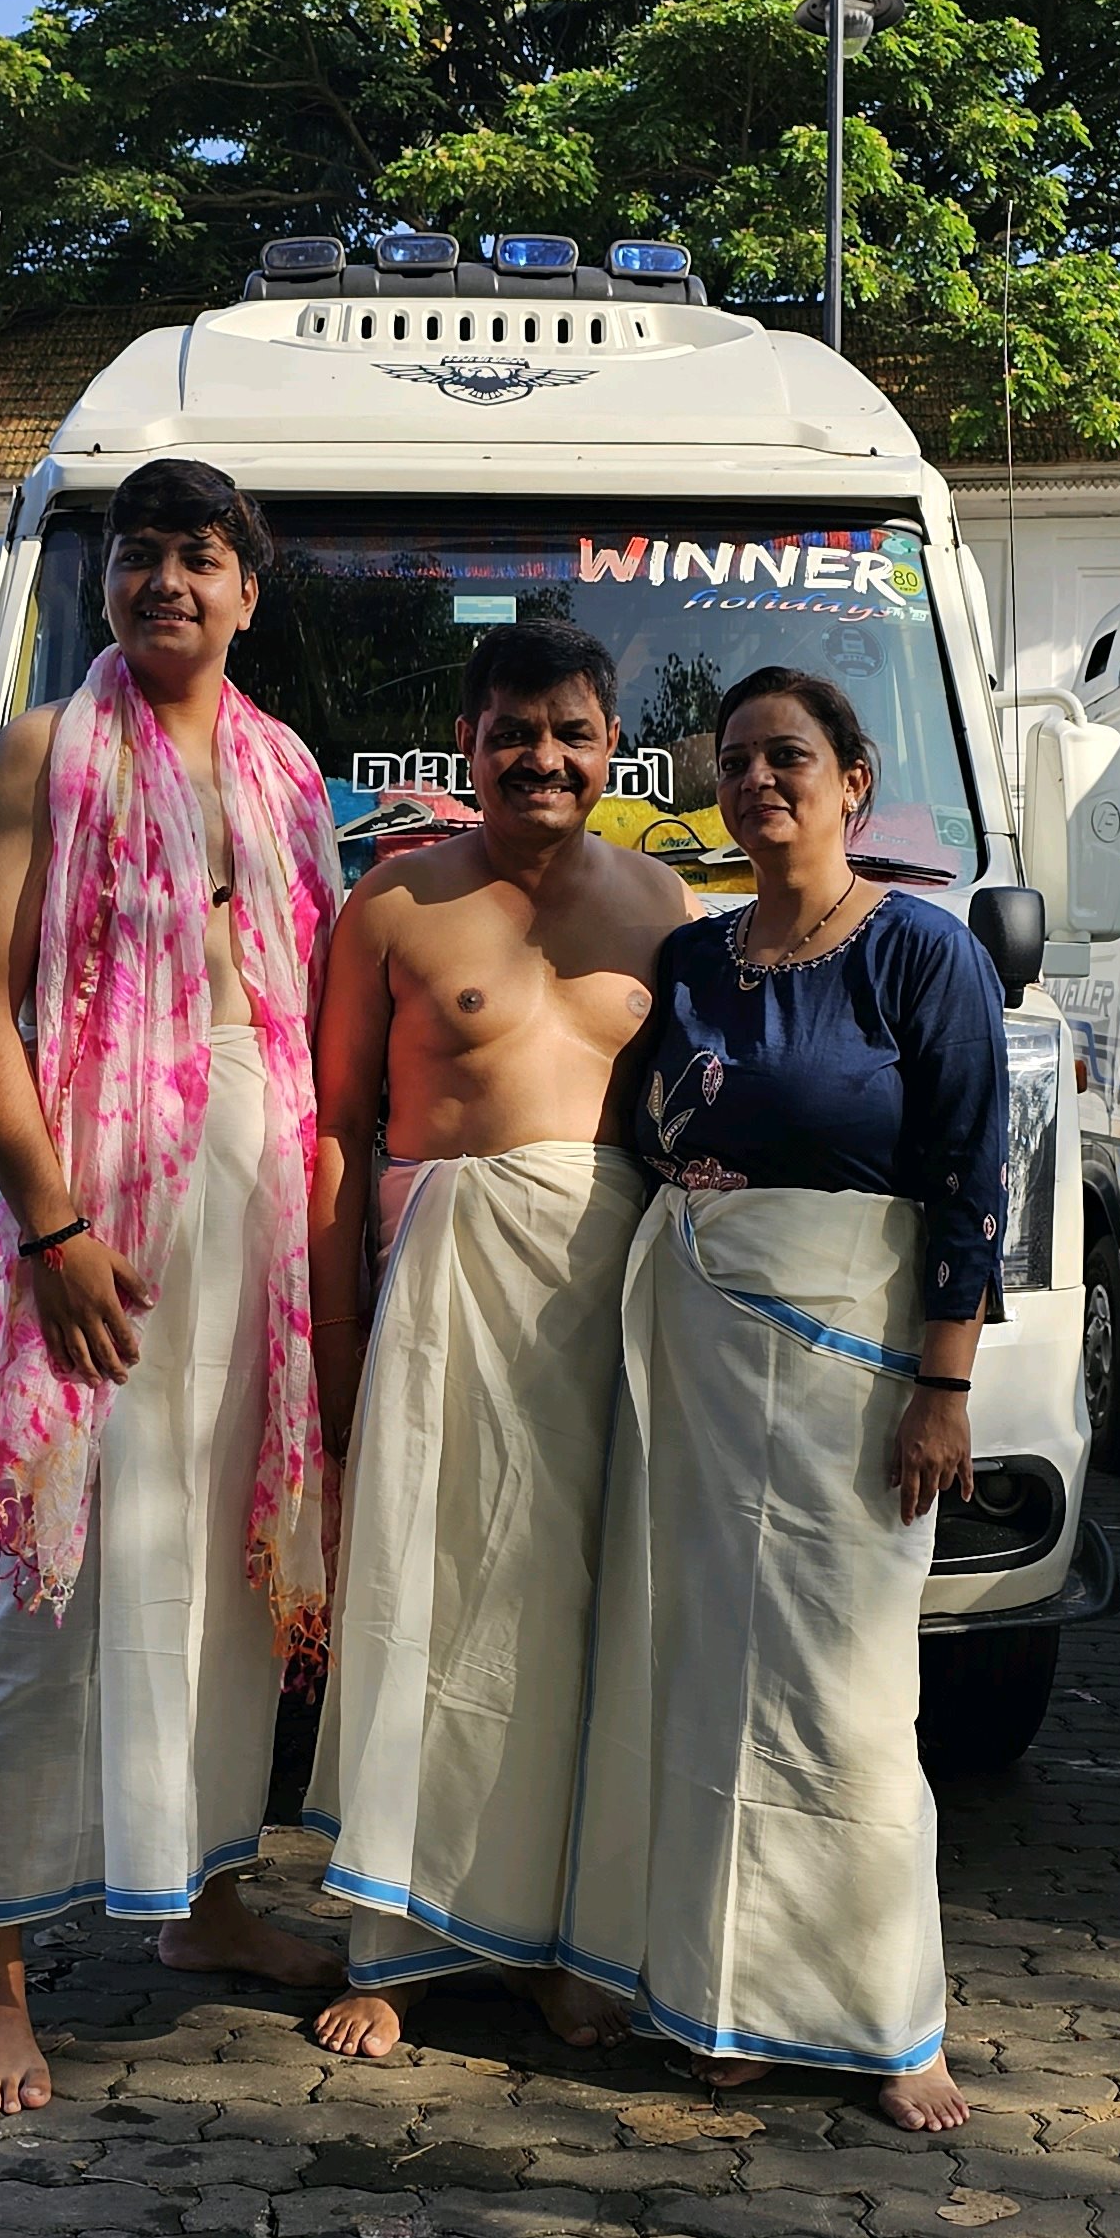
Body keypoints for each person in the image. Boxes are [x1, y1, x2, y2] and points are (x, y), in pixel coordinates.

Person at [0, 456, 342, 2113]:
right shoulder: (43, 750)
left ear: (246, 590)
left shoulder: (287, 768)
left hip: (255, 1226)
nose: (166, 579)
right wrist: (49, 1235)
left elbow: (312, 1000)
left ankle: (209, 1901)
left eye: (199, 556)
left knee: (226, 1583)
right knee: (49, 1596)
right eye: (140, 554)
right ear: (105, 582)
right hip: (92, 1221)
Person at [560, 664, 1008, 2133]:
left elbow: (971, 1180)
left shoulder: (923, 953)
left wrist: (944, 1387)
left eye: (789, 756)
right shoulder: (694, 960)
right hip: (696, 1356)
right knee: (706, 1677)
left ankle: (889, 2020)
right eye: (737, 758)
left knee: (849, 1694)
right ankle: (731, 1998)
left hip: (853, 1368)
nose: (759, 780)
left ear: (853, 782)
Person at [306, 616, 689, 2062]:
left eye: (571, 731)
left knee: (580, 1613)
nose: (543, 757)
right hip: (443, 1295)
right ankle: (396, 1945)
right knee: (428, 1598)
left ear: (612, 746)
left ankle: (556, 1943)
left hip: (610, 1296)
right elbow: (336, 1133)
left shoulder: (663, 904)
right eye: (513, 732)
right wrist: (338, 1332)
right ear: (466, 744)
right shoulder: (393, 904)